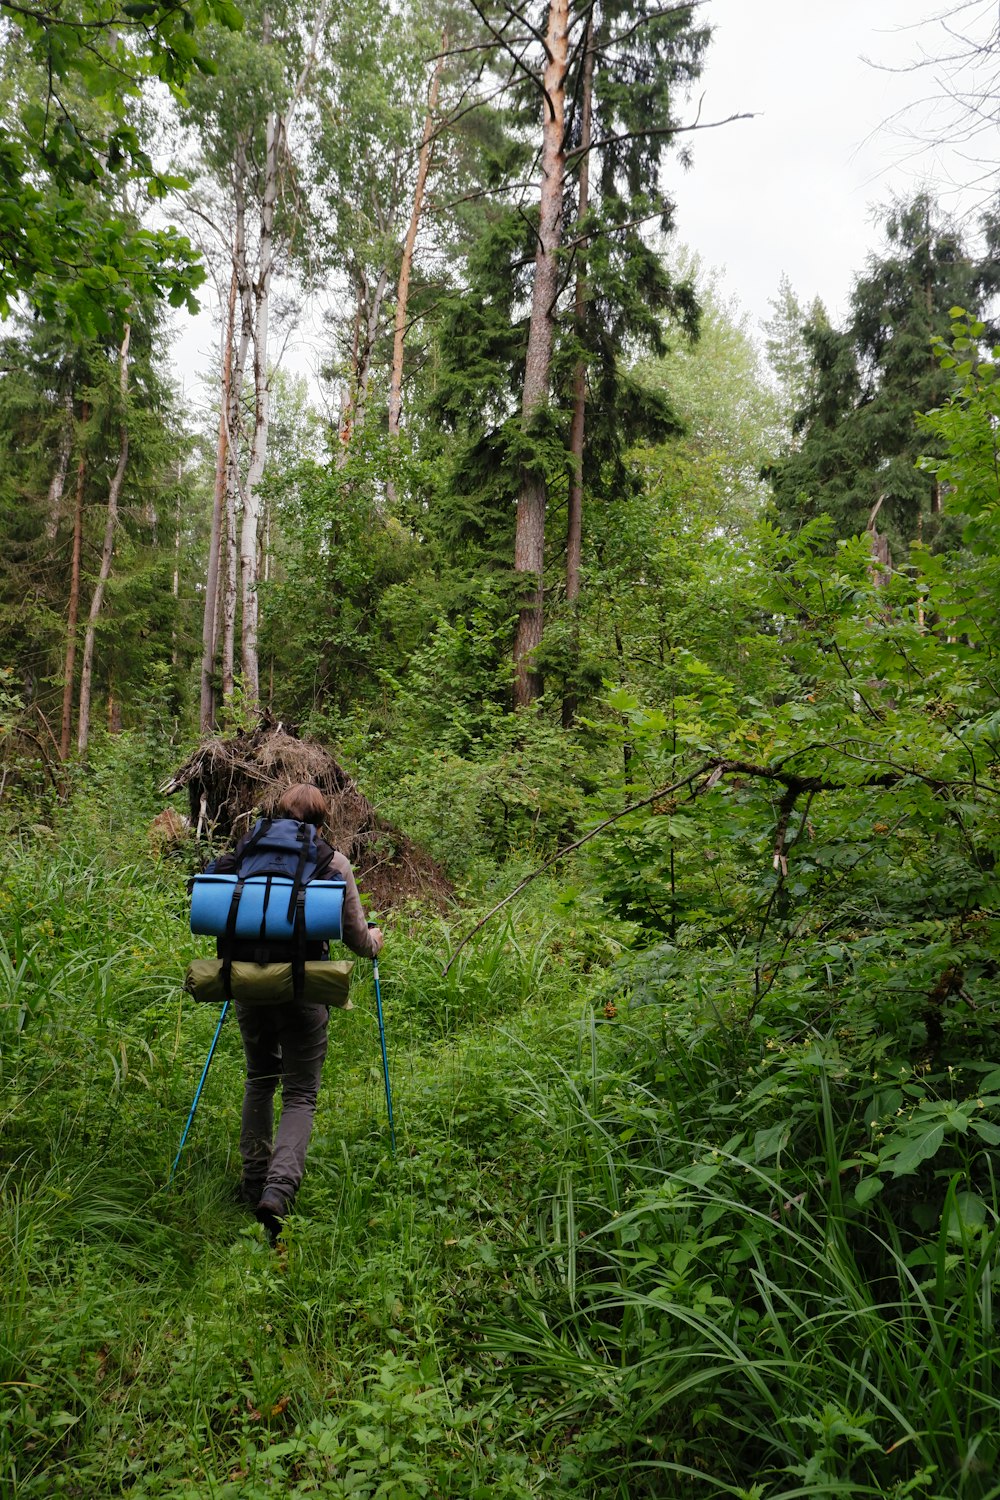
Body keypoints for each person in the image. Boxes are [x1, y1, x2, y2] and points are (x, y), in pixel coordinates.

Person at [207, 782, 383, 1240]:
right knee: (300, 1093)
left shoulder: (246, 850)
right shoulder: (333, 862)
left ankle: (252, 1182)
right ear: (321, 821)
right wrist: (376, 940)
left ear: (279, 813)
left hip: (248, 983)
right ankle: (279, 1191)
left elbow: (213, 891)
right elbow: (357, 939)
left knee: (259, 1079)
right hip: (304, 989)